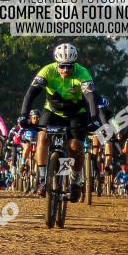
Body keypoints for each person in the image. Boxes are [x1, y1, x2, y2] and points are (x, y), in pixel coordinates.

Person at [19, 43, 102, 202]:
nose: (65, 70)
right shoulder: (47, 70)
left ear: (74, 64)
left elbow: (91, 97)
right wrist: (23, 115)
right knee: (42, 138)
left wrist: (93, 119)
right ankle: (43, 179)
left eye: (69, 67)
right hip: (53, 111)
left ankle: (75, 180)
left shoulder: (82, 73)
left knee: (75, 146)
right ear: (57, 64)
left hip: (76, 113)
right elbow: (30, 94)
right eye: (62, 66)